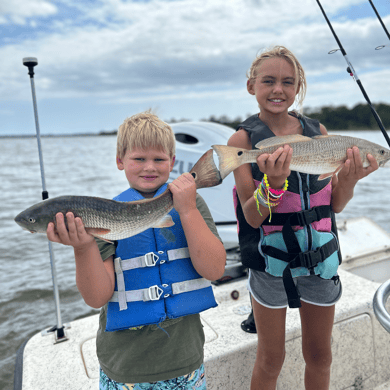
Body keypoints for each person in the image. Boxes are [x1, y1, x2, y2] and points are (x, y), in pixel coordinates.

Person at [228, 46, 379, 390]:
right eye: (268, 81)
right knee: (270, 359)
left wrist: (350, 178)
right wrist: (274, 184)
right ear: (251, 86)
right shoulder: (242, 140)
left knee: (320, 355)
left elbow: (335, 204)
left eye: (288, 82)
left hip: (320, 259)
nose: (278, 89)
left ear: (298, 88)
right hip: (270, 262)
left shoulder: (319, 131)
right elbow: (252, 217)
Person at [46, 111, 226, 390]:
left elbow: (214, 269)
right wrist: (83, 247)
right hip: (125, 368)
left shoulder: (191, 204)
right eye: (139, 159)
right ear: (120, 161)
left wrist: (188, 209)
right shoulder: (103, 215)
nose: (149, 167)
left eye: (159, 159)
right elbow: (96, 297)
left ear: (173, 162)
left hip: (186, 361)